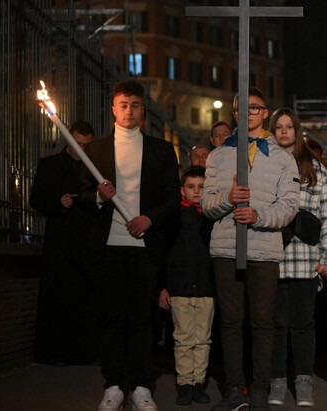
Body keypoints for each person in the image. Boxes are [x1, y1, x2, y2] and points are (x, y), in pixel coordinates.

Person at [75, 80, 180, 411]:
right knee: (111, 319)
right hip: (109, 246)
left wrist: (149, 219)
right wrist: (98, 197)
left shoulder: (162, 150)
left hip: (144, 247)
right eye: (123, 104)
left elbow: (172, 199)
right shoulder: (96, 151)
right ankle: (114, 385)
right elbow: (80, 197)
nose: (129, 111)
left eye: (135, 105)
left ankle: (140, 386)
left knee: (141, 320)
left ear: (142, 109)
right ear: (113, 108)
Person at [203, 88, 300, 411]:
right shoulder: (217, 155)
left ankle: (259, 387)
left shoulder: (283, 158)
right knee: (230, 320)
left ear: (264, 113)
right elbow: (205, 205)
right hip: (226, 247)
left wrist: (259, 216)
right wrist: (228, 200)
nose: (247, 114)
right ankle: (235, 388)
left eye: (254, 108)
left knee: (262, 321)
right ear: (234, 114)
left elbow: (289, 207)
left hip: (264, 249)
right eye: (240, 109)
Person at [266, 108, 327, 408]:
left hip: (304, 258)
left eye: (289, 127)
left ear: (297, 131)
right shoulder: (263, 165)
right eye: (278, 127)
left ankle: (303, 381)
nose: (284, 132)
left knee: (303, 324)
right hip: (270, 256)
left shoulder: (315, 169)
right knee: (274, 324)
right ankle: (277, 381)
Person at [30, 120, 98, 365]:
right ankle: (55, 353)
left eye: (86, 146)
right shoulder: (49, 164)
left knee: (84, 297)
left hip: (86, 240)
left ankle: (85, 352)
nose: (81, 150)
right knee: (57, 297)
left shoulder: (94, 168)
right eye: (77, 144)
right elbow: (36, 198)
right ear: (68, 140)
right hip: (59, 240)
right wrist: (58, 203)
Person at [158, 166, 215, 406]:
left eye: (201, 187)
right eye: (191, 187)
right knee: (183, 339)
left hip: (206, 287)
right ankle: (185, 383)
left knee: (203, 339)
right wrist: (163, 286)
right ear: (182, 190)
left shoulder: (212, 218)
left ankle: (198, 382)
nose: (196, 191)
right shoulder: (174, 218)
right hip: (179, 287)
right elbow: (164, 253)